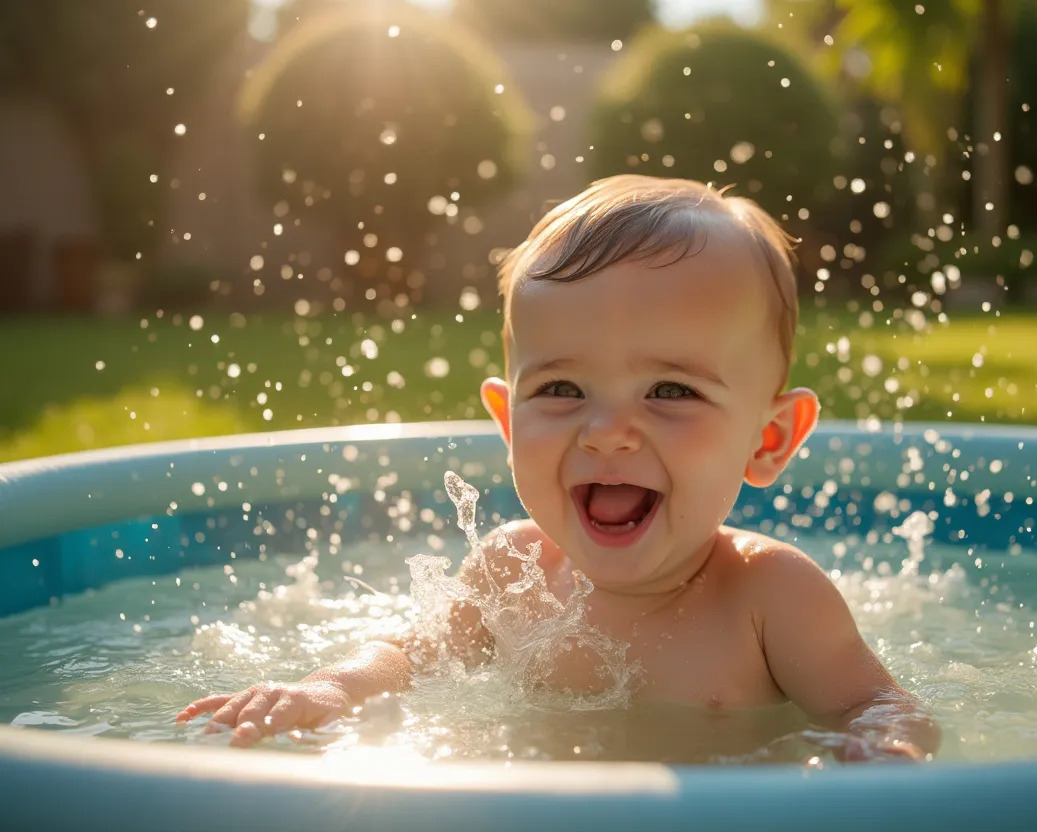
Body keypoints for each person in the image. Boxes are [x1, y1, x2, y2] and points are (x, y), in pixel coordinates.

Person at [176, 175, 940, 761]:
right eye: (562, 389)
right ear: (509, 423)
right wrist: (328, 688)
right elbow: (410, 655)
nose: (607, 432)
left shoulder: (771, 598)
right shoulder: (512, 569)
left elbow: (882, 708)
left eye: (670, 390)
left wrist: (884, 745)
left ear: (768, 441)